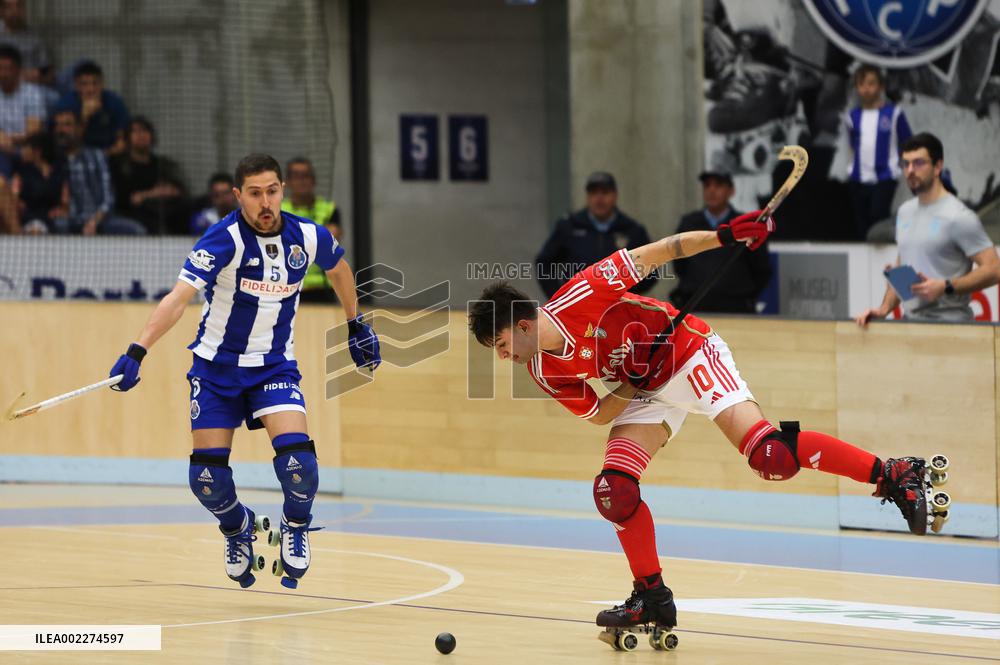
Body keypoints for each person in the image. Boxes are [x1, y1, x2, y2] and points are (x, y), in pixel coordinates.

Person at [470, 213, 941, 636]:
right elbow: (598, 414)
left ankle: (892, 474)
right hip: (644, 388)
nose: (504, 357)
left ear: (523, 325)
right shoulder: (542, 369)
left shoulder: (585, 291)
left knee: (771, 456)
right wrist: (632, 384)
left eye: (502, 345)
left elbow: (663, 251)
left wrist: (725, 235)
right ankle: (651, 597)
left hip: (690, 353)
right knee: (614, 490)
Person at [106, 154, 380, 589]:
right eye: (254, 193)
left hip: (273, 366)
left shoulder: (308, 235)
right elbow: (178, 299)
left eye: (272, 191)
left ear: (282, 190)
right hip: (215, 371)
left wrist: (355, 323)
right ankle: (238, 528)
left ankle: (295, 525)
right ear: (238, 196)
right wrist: (137, 351)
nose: (265, 202)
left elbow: (339, 270)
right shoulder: (223, 239)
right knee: (207, 480)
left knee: (301, 466)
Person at [856, 133, 999, 326]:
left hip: (952, 327)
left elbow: (994, 269)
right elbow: (903, 266)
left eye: (918, 163)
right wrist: (884, 309)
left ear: (938, 167)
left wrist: (946, 286)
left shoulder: (958, 216)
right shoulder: (905, 212)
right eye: (906, 164)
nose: (910, 170)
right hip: (911, 324)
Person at [535, 172, 656, 298]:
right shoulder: (569, 227)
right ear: (587, 197)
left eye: (605, 192)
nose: (599, 199)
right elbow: (544, 263)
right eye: (594, 193)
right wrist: (560, 297)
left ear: (615, 196)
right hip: (579, 303)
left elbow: (651, 270)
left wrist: (628, 295)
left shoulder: (632, 231)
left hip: (619, 304)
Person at [670, 171, 771, 313]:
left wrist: (743, 294)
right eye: (707, 185)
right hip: (694, 306)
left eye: (718, 185)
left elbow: (761, 268)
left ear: (731, 191)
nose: (711, 190)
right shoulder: (688, 223)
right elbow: (679, 263)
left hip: (736, 307)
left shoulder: (745, 225)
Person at [845, 64, 912, 240]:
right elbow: (852, 144)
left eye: (871, 83)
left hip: (885, 177)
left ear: (881, 86)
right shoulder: (852, 116)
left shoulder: (894, 113)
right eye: (861, 84)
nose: (866, 89)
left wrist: (902, 165)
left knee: (878, 219)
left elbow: (907, 142)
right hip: (858, 179)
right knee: (860, 226)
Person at [51, 108, 143, 235]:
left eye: (67, 125)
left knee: (136, 230)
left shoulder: (97, 156)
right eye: (58, 125)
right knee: (58, 225)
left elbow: (108, 198)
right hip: (70, 221)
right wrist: (57, 209)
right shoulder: (53, 161)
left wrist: (95, 220)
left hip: (100, 220)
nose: (61, 130)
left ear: (80, 128)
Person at [110, 116, 187, 234]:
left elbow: (177, 190)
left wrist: (146, 195)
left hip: (162, 211)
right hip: (132, 215)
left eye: (144, 130)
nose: (141, 135)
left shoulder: (162, 165)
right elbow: (128, 199)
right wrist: (152, 194)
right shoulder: (119, 165)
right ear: (128, 137)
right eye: (135, 131)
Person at [280, 157, 341, 303]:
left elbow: (329, 243)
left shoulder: (329, 209)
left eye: (306, 176)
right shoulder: (278, 210)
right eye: (296, 176)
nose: (302, 181)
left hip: (321, 289)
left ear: (313, 180)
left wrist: (291, 237)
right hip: (286, 288)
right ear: (287, 182)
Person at [54, 60, 129, 155]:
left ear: (102, 83)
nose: (91, 89)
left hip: (110, 154)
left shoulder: (114, 102)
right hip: (78, 155)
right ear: (76, 85)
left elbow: (122, 139)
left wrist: (101, 156)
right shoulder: (66, 105)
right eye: (84, 84)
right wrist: (84, 117)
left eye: (95, 83)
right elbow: (68, 144)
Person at [13, 130, 63, 234]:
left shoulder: (58, 172)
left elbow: (64, 201)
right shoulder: (21, 172)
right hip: (28, 217)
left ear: (37, 151)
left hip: (50, 218)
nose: (22, 151)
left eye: (25, 147)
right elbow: (15, 196)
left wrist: (61, 209)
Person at [0, 44, 44, 154]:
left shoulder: (32, 94)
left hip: (25, 149)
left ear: (19, 70)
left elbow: (33, 132)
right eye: (0, 68)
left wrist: (7, 140)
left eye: (8, 69)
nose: (3, 74)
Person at [0, 0, 50, 85]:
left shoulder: (34, 36)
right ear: (1, 10)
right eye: (9, 7)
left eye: (18, 6)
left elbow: (45, 69)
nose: (15, 11)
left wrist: (35, 75)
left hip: (29, 85)